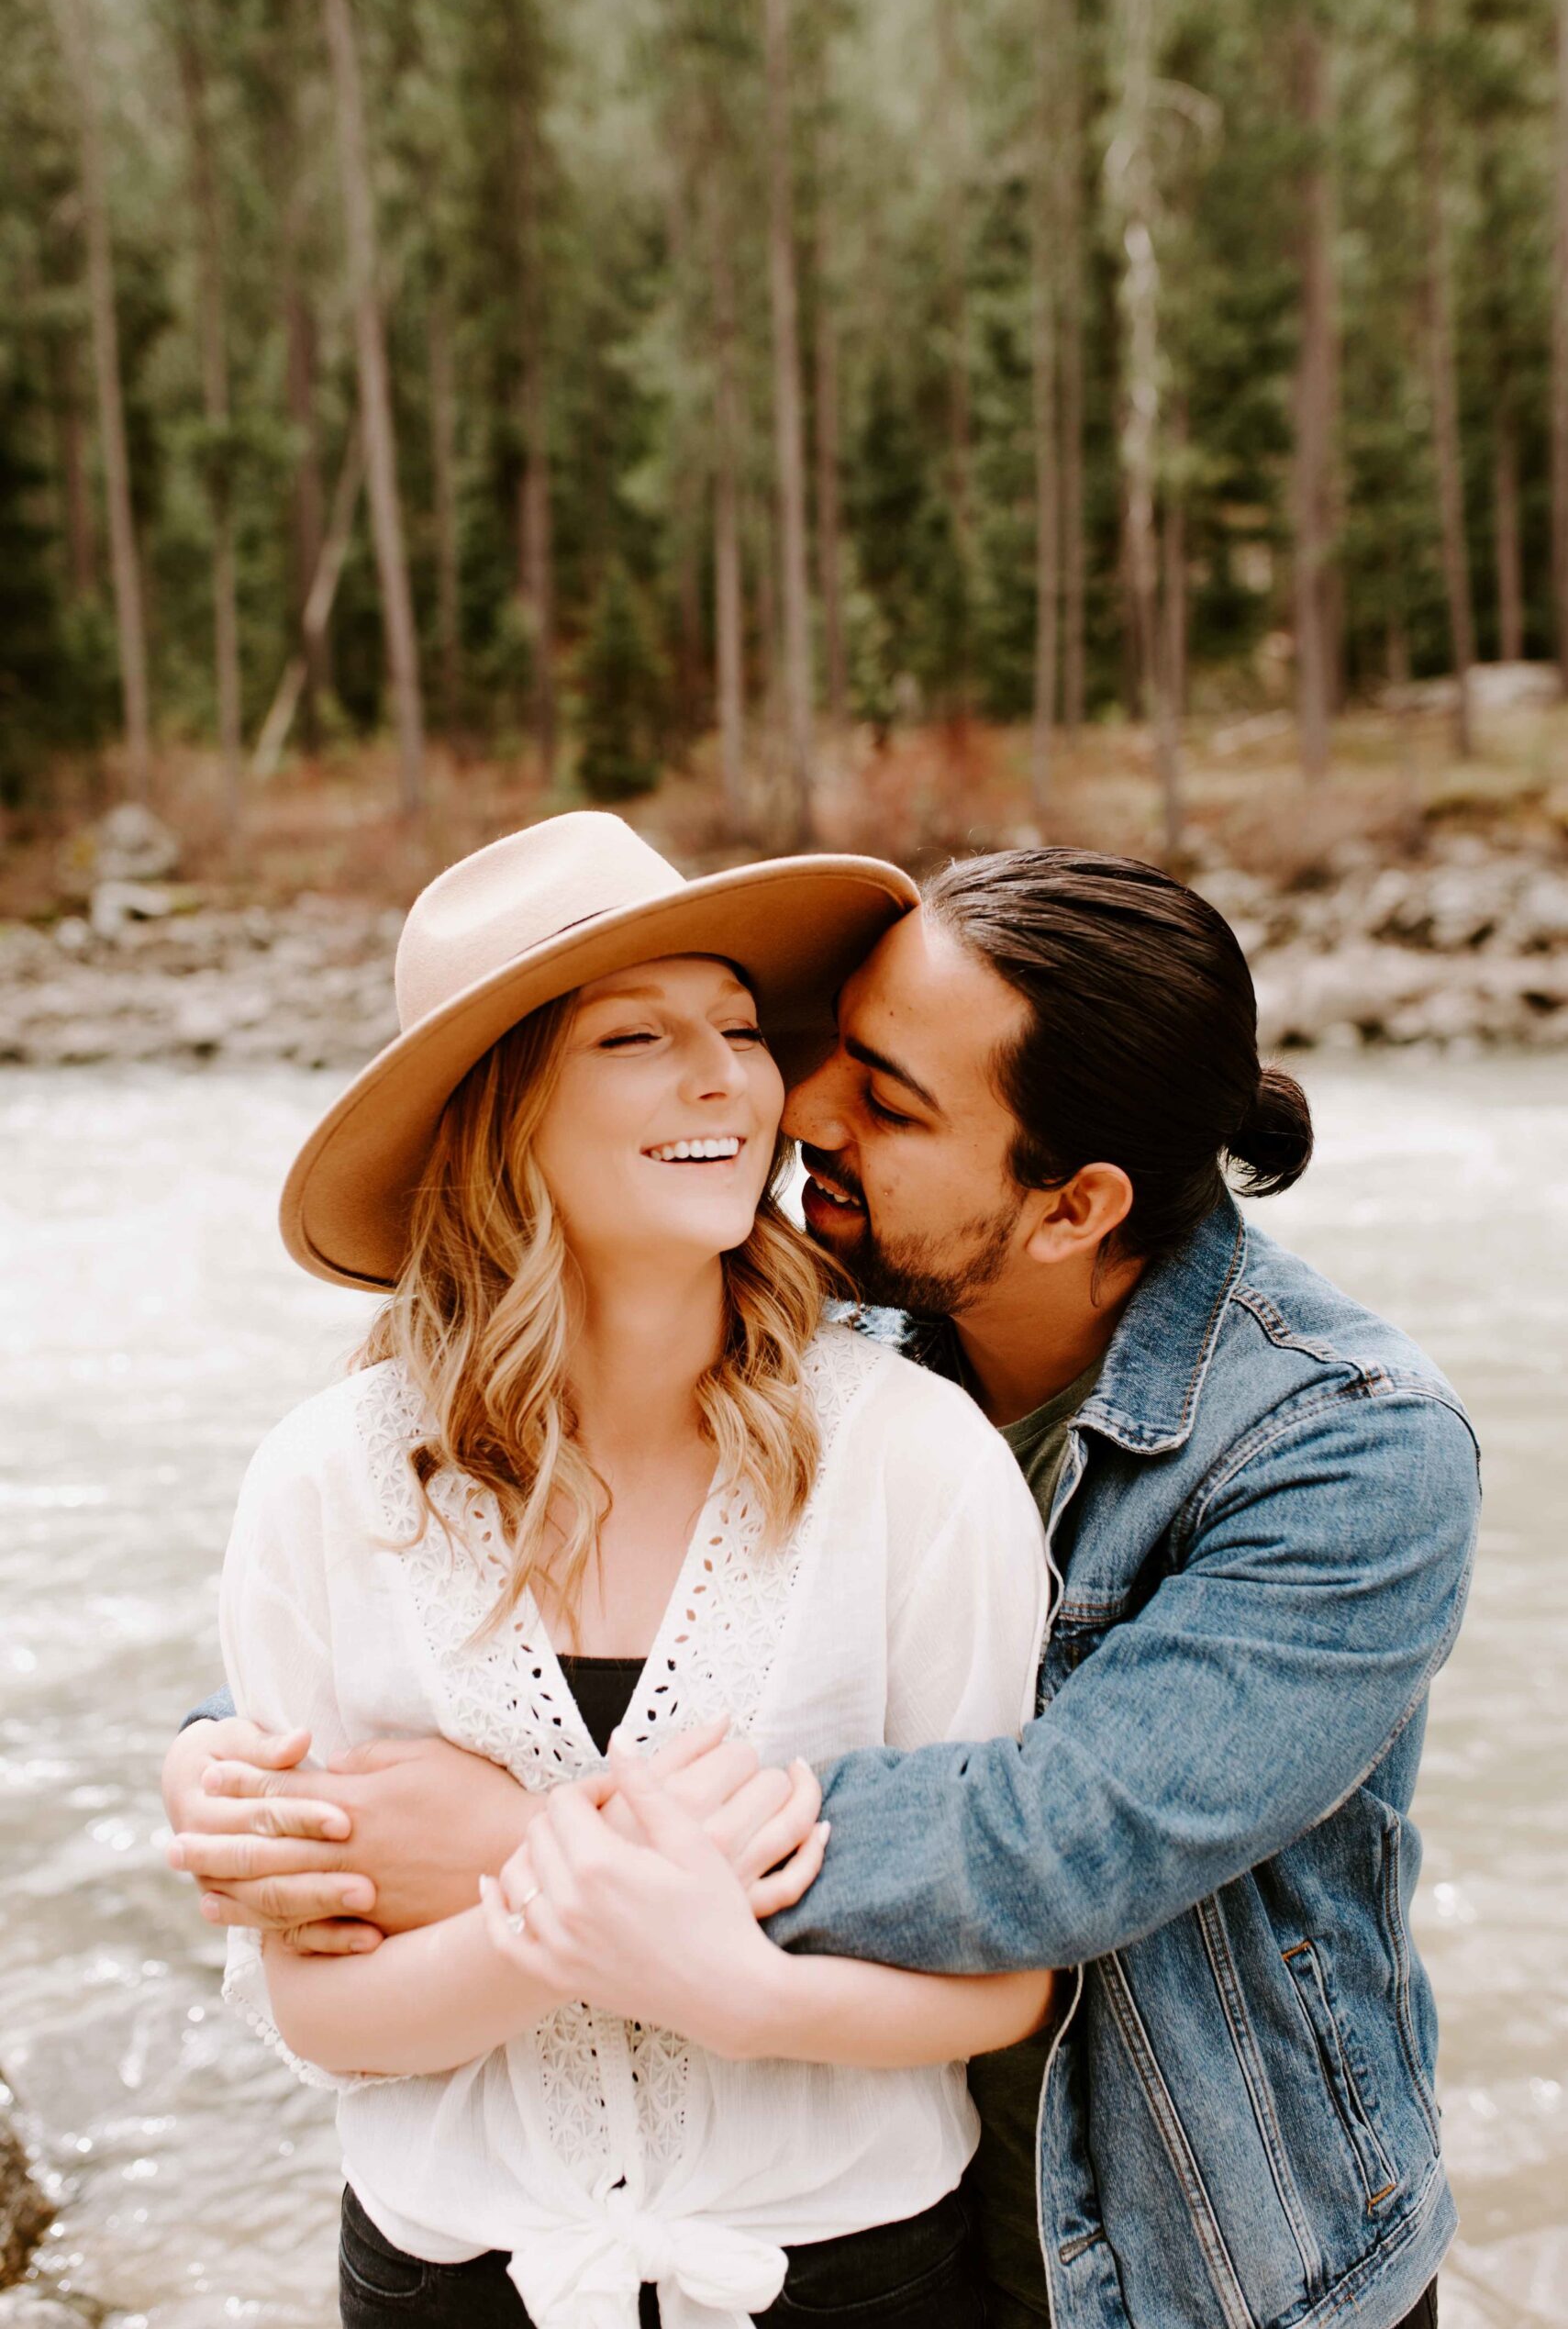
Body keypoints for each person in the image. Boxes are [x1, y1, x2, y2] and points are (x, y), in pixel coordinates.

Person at [166, 845, 1478, 2329]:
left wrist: (536, 1854)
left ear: (1070, 1207)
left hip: (1206, 2242)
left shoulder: (1347, 1445)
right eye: (834, 1050)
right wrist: (241, 1765)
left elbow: (1052, 1846)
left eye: (891, 1100)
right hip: (891, 2202)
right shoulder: (836, 1291)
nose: (801, 1109)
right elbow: (463, 1622)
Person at [194, 809, 1062, 2329]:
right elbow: (318, 2010)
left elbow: (1000, 1985)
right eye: (633, 1038)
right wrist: (594, 1914)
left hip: (852, 2281)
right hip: (446, 2283)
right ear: (499, 1110)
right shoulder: (328, 1485)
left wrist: (562, 1897)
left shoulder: (913, 1464)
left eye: (735, 1025)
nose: (728, 1077)